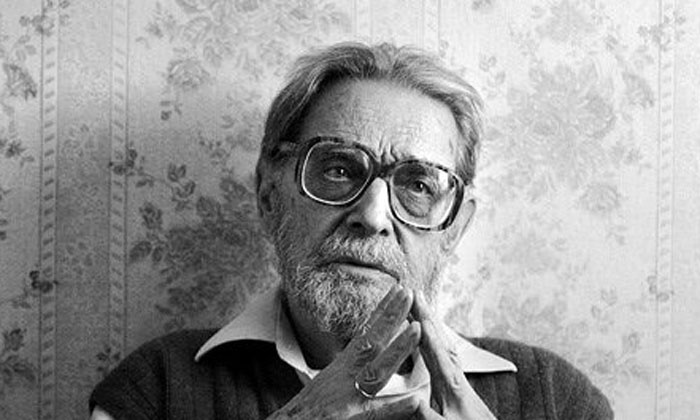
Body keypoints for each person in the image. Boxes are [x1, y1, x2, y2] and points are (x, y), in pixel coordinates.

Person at [90, 42, 613, 420]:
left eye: (418, 185)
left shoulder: (556, 399)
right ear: (270, 195)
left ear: (453, 226)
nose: (373, 216)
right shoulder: (156, 390)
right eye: (338, 168)